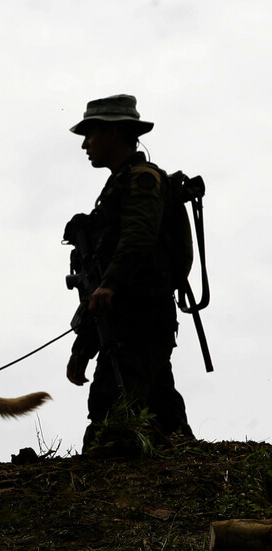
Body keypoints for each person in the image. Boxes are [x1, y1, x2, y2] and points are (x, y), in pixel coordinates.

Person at [64, 94, 194, 450]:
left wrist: (111, 284)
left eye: (91, 134)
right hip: (126, 318)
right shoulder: (116, 189)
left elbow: (138, 238)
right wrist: (83, 347)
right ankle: (185, 461)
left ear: (116, 134)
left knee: (112, 413)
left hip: (142, 312)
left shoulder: (142, 180)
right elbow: (98, 285)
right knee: (160, 408)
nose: (85, 144)